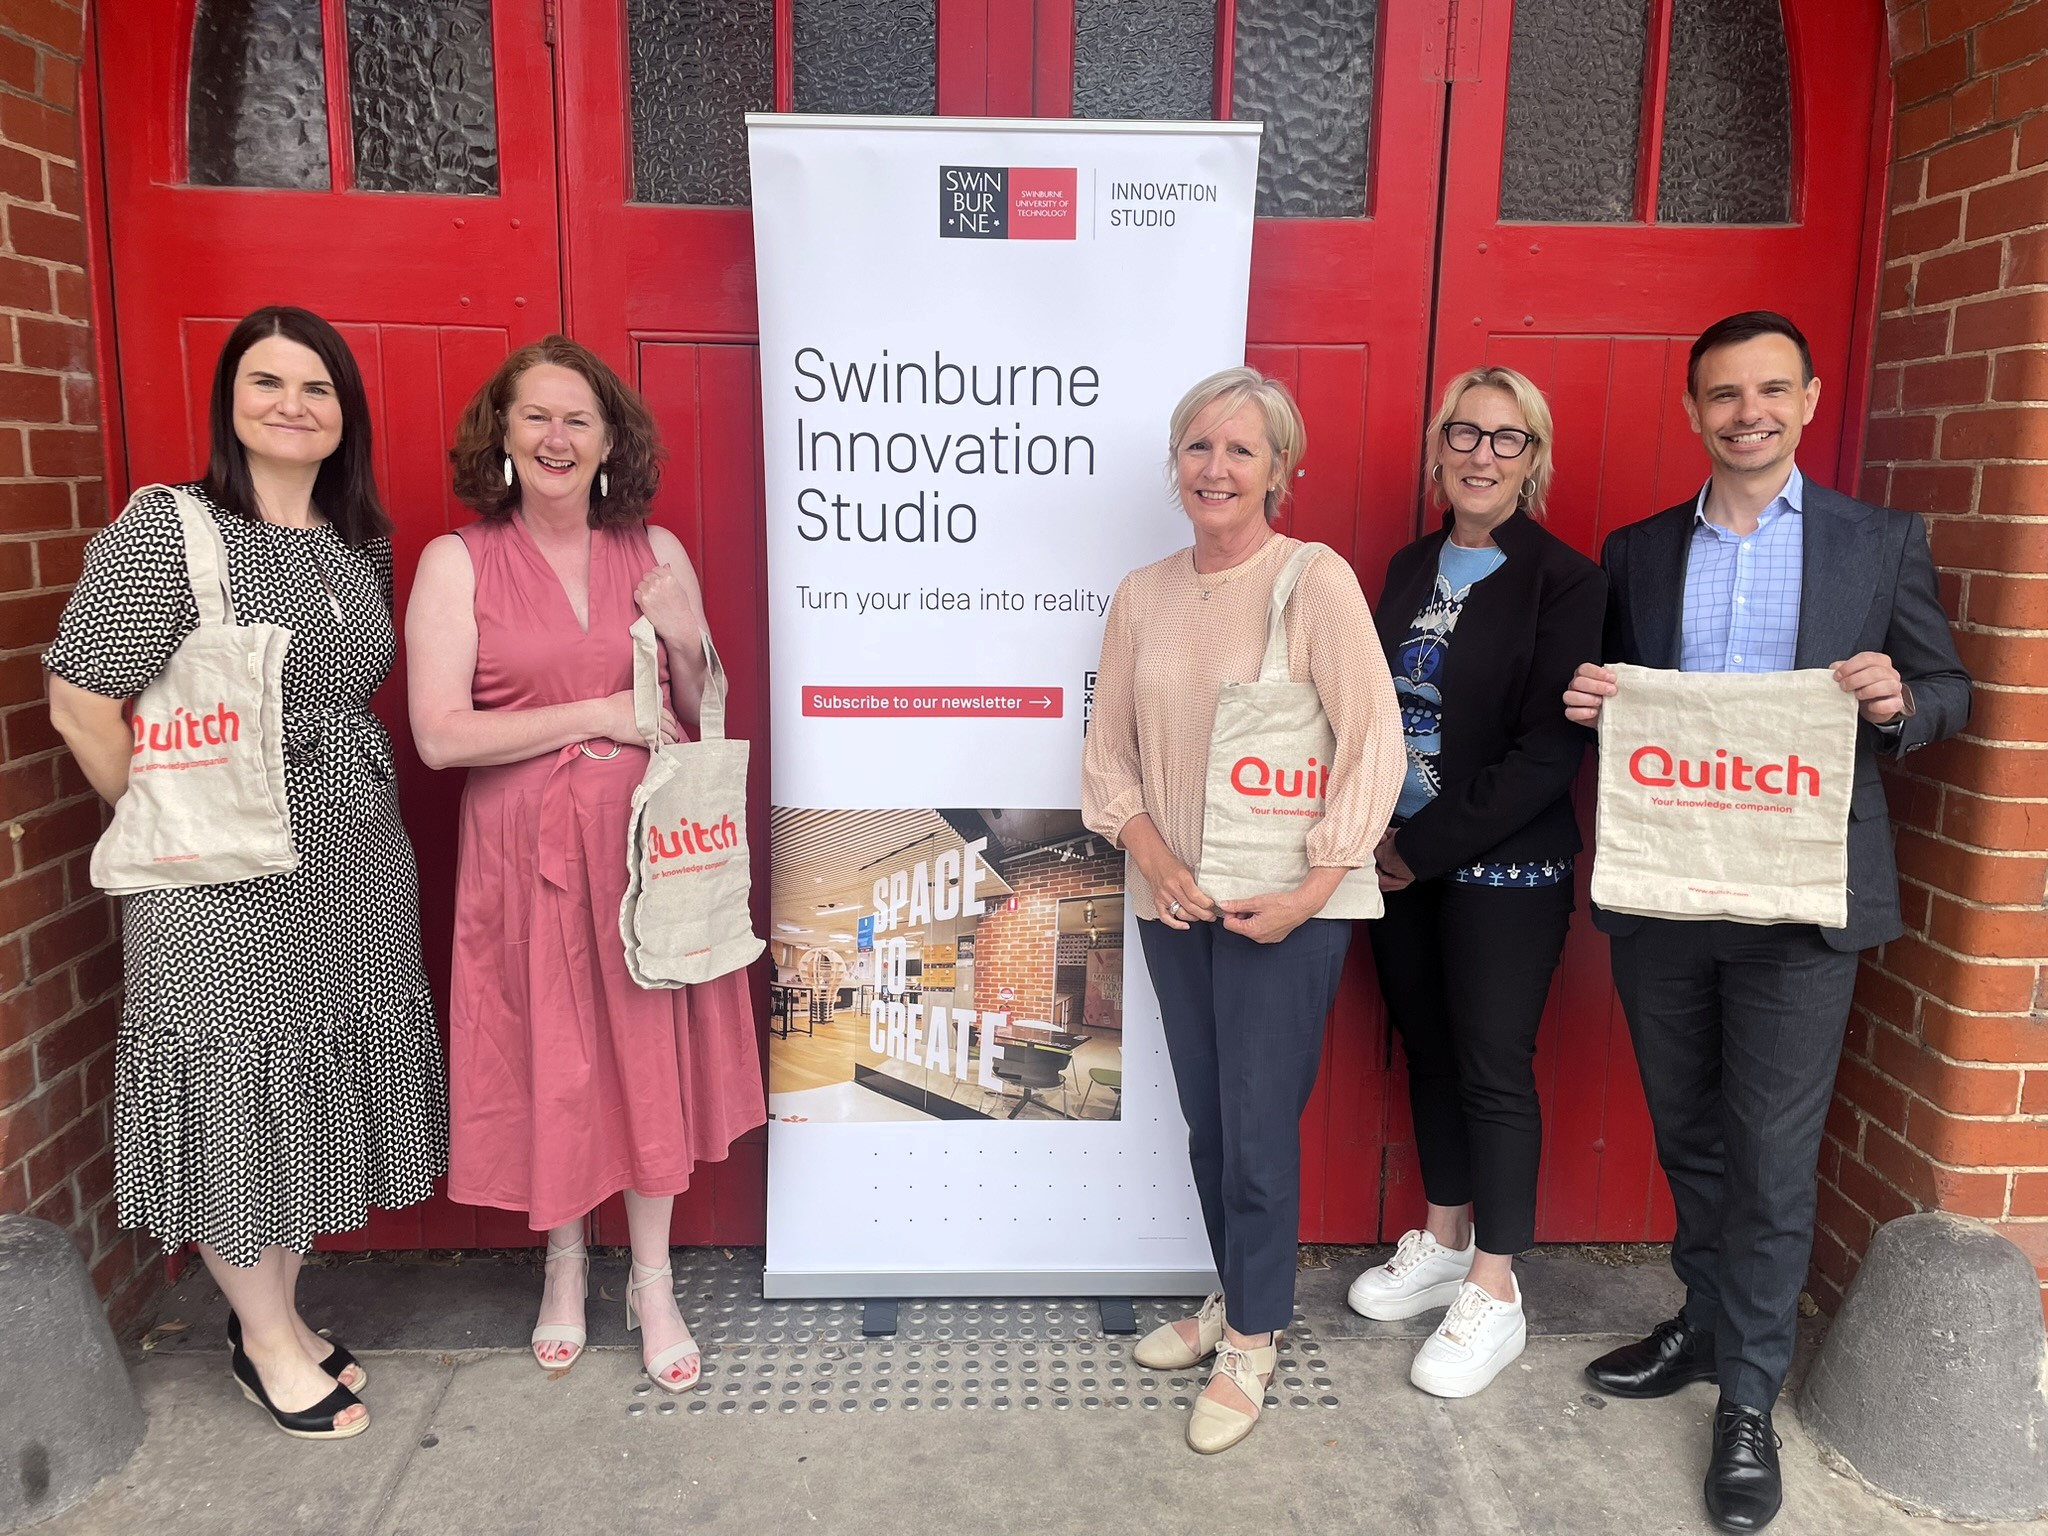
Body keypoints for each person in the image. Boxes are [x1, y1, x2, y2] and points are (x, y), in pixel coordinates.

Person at [1563, 312, 1970, 1533]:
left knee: (1772, 1155)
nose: (1746, 411)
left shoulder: (1876, 541)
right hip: (1670, 897)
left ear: (1806, 400)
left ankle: (1745, 1398)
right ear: (1691, 413)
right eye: (1721, 394)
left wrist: (1902, 701)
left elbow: (1946, 687)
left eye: (1769, 390)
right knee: (1687, 1129)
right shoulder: (1634, 553)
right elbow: (1610, 701)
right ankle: (1702, 1317)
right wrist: (1588, 700)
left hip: (1801, 908)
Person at [44, 306, 448, 1441]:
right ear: (230, 399)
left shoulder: (349, 540)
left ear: (342, 416)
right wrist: (166, 822)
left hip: (351, 856)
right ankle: (262, 1337)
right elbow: (79, 699)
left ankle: (278, 1310)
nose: (291, 404)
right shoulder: (167, 530)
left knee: (301, 1084)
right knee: (233, 1085)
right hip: (220, 877)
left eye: (315, 388)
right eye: (266, 381)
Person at [407, 335, 764, 1395]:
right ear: (503, 435)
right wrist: (605, 710)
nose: (556, 437)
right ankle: (563, 1266)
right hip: (521, 853)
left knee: (644, 1053)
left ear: (610, 441)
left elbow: (699, 721)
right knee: (548, 1051)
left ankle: (650, 1281)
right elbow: (439, 736)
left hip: (643, 848)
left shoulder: (653, 552)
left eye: (578, 419)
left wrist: (689, 642)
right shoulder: (455, 561)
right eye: (536, 417)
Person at [1082, 367, 1404, 1454]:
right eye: (1198, 448)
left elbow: (1373, 743)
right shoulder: (1140, 593)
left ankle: (1255, 1339)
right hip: (1169, 900)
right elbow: (1108, 755)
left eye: (1241, 451)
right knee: (1210, 1124)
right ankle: (1236, 1296)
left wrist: (1315, 888)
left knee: (1258, 1133)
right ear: (1175, 463)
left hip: (1282, 906)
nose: (1216, 469)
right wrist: (1153, 857)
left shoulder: (1311, 581)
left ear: (1280, 471)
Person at [1349, 367, 1605, 1398]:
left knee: (1492, 1066)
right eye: (1464, 433)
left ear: (1532, 459)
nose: (1482, 454)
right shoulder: (1409, 564)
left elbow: (1549, 749)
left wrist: (1423, 844)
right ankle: (1444, 1237)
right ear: (1438, 447)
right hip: (1394, 861)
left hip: (1500, 866)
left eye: (1508, 439)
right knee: (1427, 1052)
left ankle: (1494, 1292)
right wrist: (1371, 830)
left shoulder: (1565, 580)